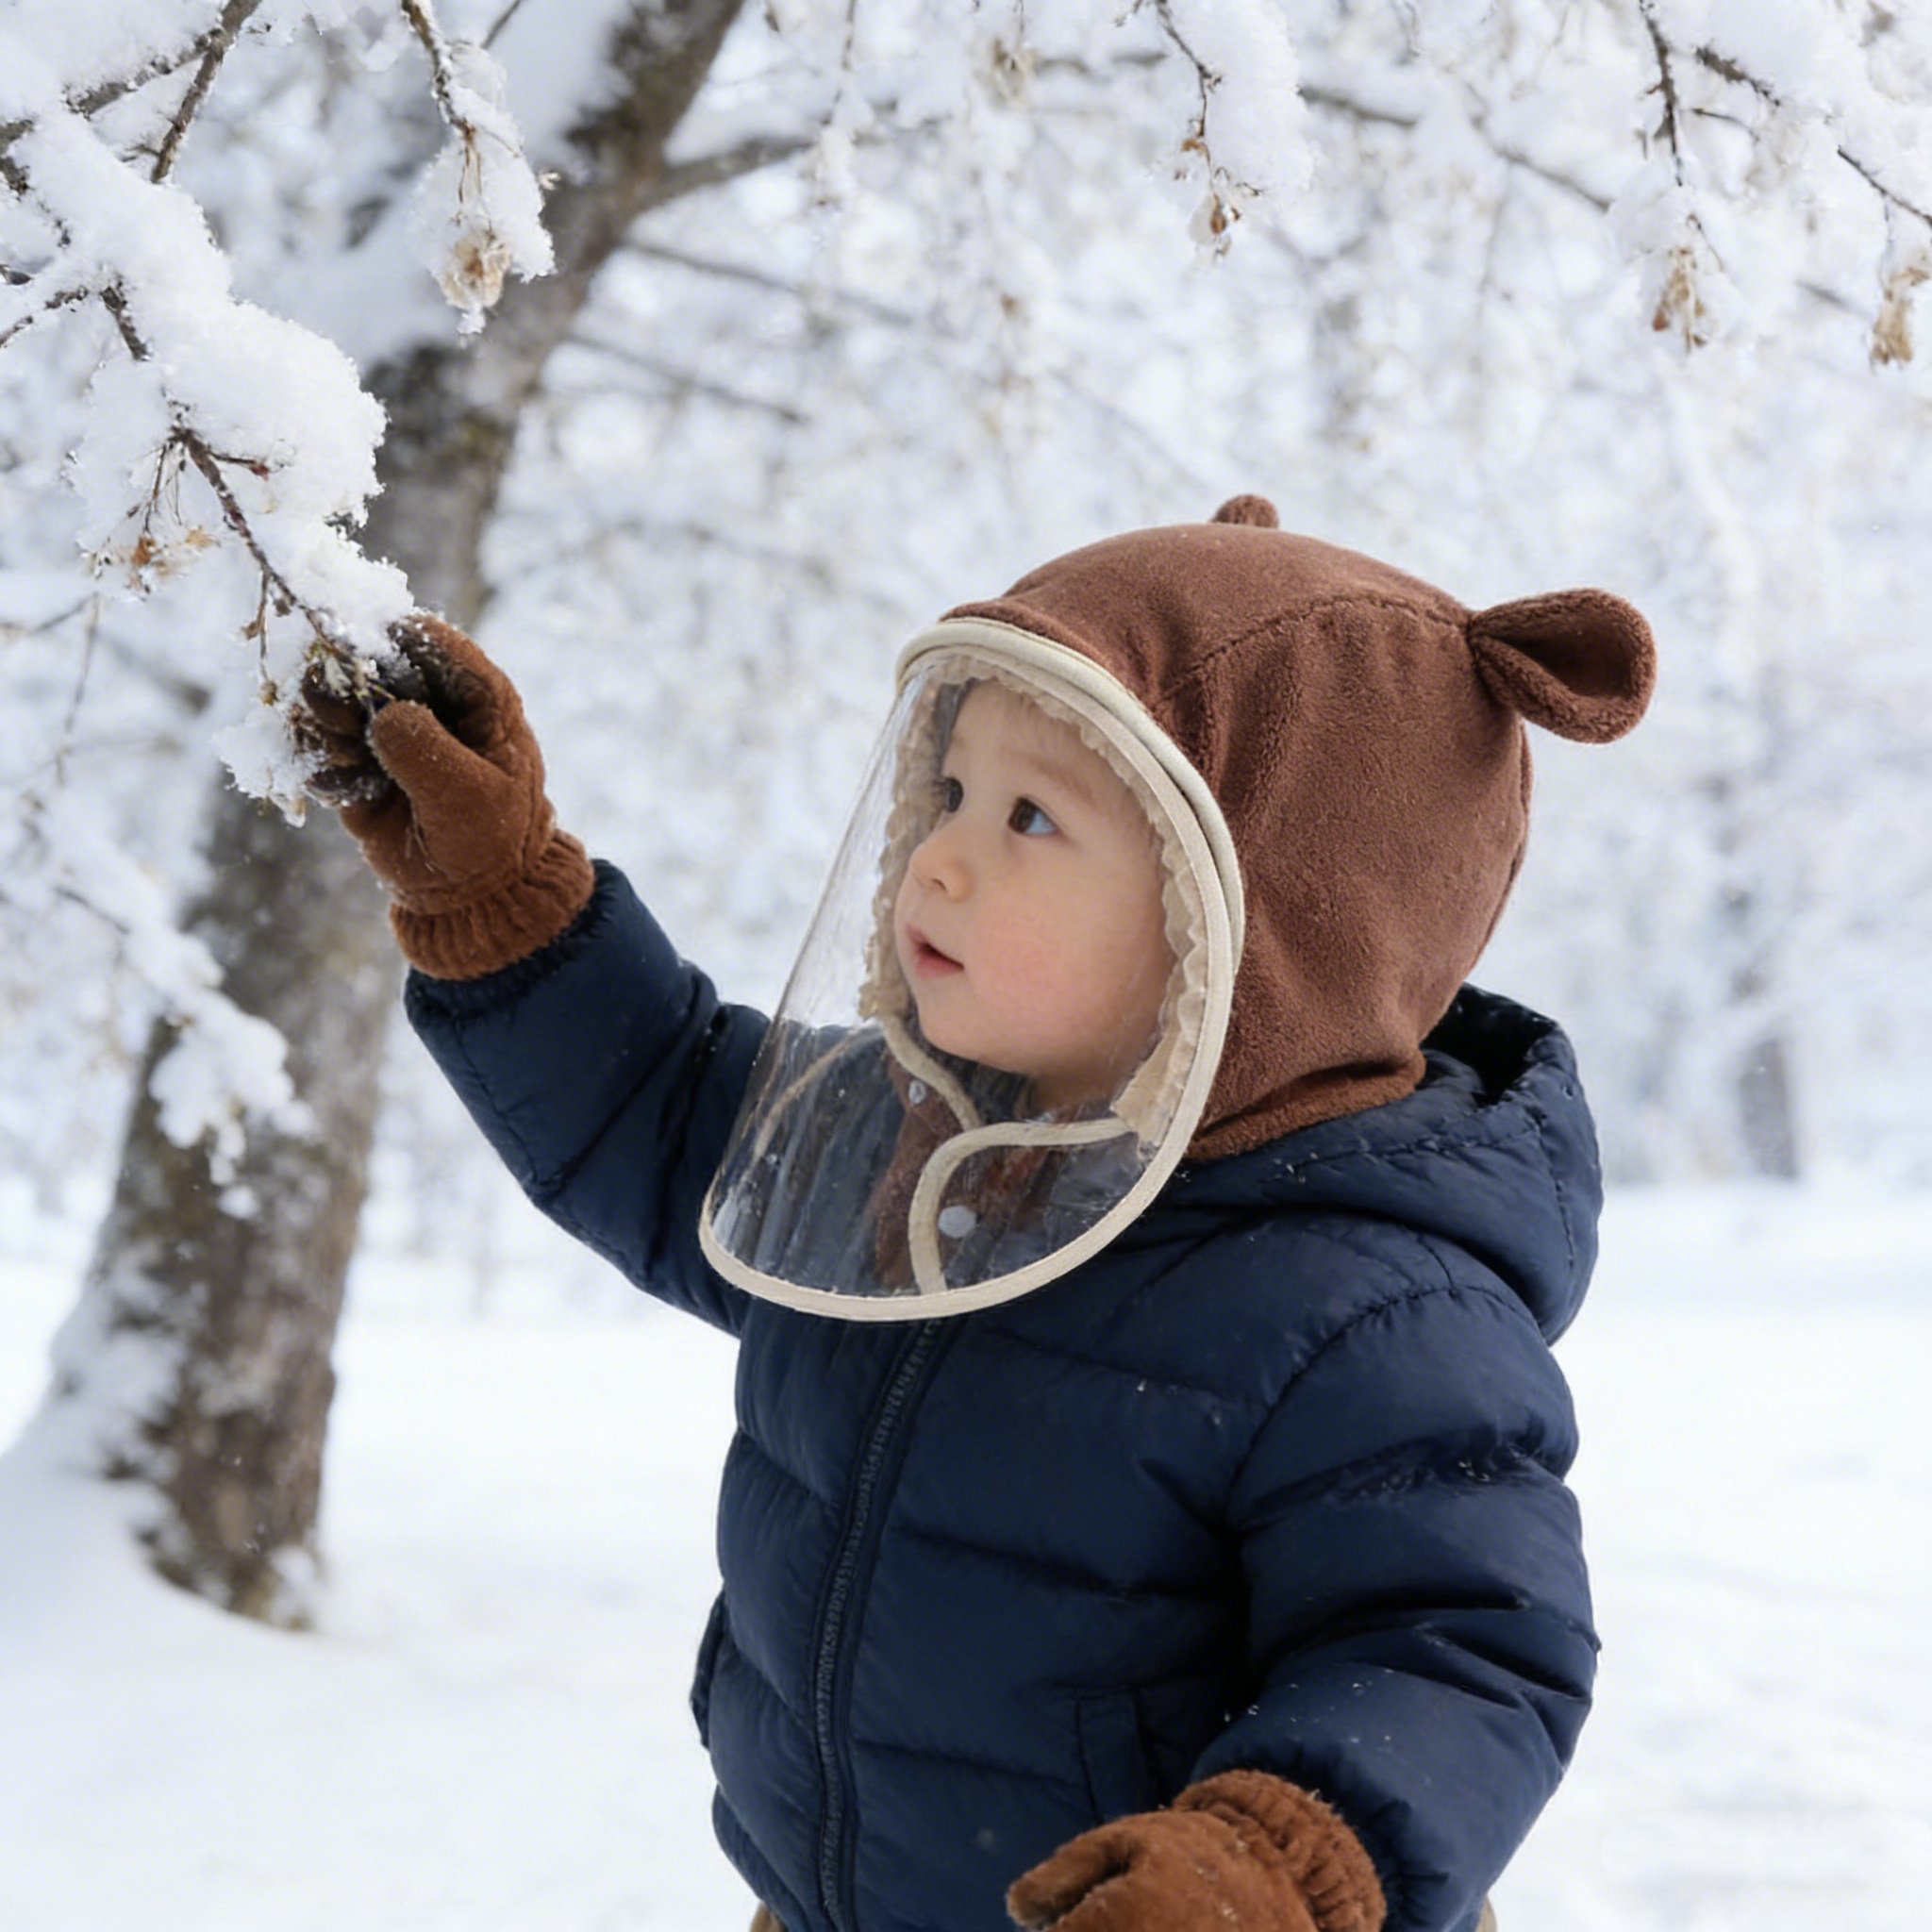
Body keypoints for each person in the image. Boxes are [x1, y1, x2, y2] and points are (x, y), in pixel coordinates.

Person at [300, 495, 1656, 1932]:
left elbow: (1455, 1647)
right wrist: (508, 900)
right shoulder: (912, 1149)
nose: (939, 858)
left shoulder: (1367, 1306)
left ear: (1251, 920)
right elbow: (669, 1110)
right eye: (943, 794)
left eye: (1029, 818)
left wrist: (1274, 1870)